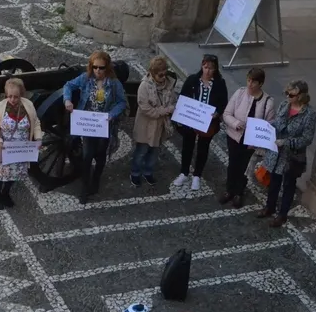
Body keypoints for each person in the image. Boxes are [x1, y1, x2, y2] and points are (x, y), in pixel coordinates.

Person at [63, 50, 128, 204]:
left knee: (100, 155)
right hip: (87, 124)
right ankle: (84, 188)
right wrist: (67, 100)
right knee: (87, 156)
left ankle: (96, 180)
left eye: (101, 68)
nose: (98, 71)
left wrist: (112, 114)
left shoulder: (114, 83)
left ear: (107, 67)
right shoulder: (86, 78)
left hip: (103, 125)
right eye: (95, 67)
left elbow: (122, 102)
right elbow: (68, 85)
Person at [255, 80, 316, 226]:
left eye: (291, 95)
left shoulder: (309, 114)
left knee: (289, 185)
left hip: (291, 156)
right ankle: (269, 207)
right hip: (276, 152)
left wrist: (287, 142)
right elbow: (277, 122)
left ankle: (282, 214)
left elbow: (307, 139)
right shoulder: (284, 104)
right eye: (286, 93)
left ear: (301, 96)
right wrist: (268, 126)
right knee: (274, 181)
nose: (287, 96)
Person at [0, 77, 42, 209]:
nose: (12, 99)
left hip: (20, 150)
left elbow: (36, 122)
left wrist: (38, 138)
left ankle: (5, 192)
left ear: (21, 94)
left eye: (16, 96)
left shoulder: (28, 106)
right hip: (2, 148)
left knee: (15, 173)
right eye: (9, 96)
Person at [172, 54, 228, 192]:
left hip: (208, 123)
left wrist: (217, 113)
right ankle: (184, 172)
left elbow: (223, 102)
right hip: (191, 120)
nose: (207, 71)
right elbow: (183, 97)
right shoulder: (192, 80)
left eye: (211, 68)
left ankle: (197, 175)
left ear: (215, 69)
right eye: (205, 67)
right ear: (202, 66)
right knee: (187, 146)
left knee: (203, 148)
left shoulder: (220, 83)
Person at [221, 67, 276, 207]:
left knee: (243, 166)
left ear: (260, 83)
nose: (250, 84)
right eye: (249, 80)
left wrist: (258, 142)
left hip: (251, 141)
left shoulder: (268, 102)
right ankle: (229, 190)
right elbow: (227, 114)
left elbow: (269, 126)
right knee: (233, 163)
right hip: (234, 136)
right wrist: (236, 123)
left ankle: (239, 192)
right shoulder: (239, 93)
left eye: (254, 82)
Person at [130, 56, 176, 188]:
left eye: (165, 73)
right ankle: (135, 173)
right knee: (141, 151)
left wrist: (170, 108)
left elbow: (173, 101)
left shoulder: (169, 84)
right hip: (145, 126)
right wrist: (165, 110)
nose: (163, 77)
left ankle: (148, 172)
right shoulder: (144, 86)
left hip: (160, 126)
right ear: (152, 73)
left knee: (154, 152)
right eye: (160, 75)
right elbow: (146, 108)